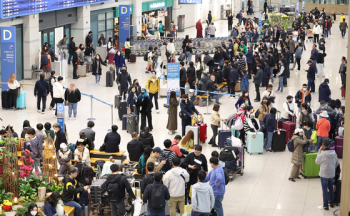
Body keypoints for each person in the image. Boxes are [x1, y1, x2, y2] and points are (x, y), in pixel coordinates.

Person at [315, 140, 339, 210]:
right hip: (331, 174)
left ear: (322, 146)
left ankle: (325, 205)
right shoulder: (334, 153)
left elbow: (316, 162)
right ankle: (331, 203)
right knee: (331, 188)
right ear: (329, 146)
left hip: (324, 174)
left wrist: (319, 152)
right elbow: (337, 163)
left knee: (324, 189)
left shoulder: (322, 154)